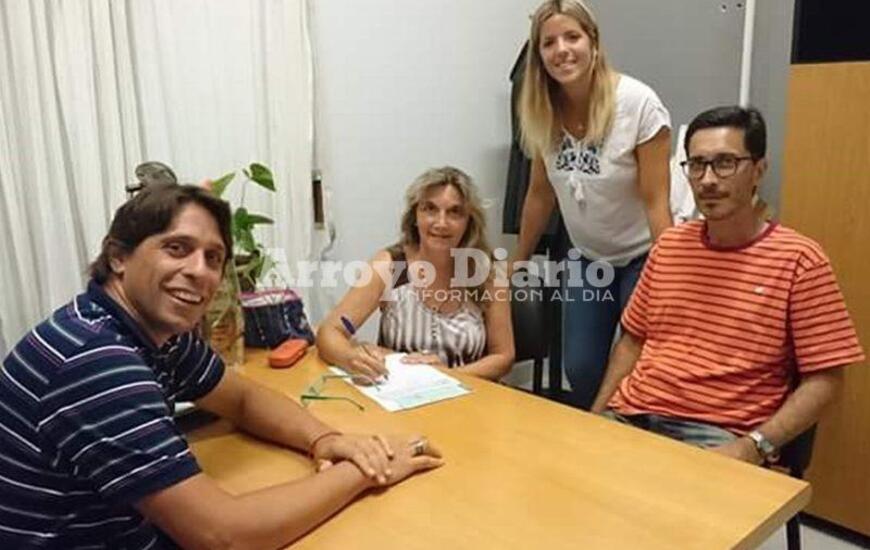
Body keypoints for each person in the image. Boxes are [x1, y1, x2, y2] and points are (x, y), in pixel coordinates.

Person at [0, 183, 442, 549]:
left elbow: (243, 398)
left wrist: (325, 440)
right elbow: (223, 535)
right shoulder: (97, 363)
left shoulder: (149, 331)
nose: (200, 271)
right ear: (119, 257)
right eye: (177, 248)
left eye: (213, 258)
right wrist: (366, 469)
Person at [590, 106, 865, 464]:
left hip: (719, 433)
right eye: (697, 165)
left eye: (725, 163)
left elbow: (826, 379)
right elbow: (633, 340)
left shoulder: (800, 260)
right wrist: (595, 417)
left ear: (758, 171)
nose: (707, 179)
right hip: (633, 413)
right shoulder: (670, 247)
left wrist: (755, 445)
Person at [512, 0, 673, 409]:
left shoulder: (638, 104)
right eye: (549, 42)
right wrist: (518, 259)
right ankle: (597, 437)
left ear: (594, 42)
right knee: (581, 367)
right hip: (589, 257)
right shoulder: (540, 108)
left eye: (572, 37)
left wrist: (672, 274)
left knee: (640, 366)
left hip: (644, 256)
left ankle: (630, 443)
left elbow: (657, 201)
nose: (561, 50)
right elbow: (540, 193)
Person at [318, 166, 514, 381]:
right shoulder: (390, 266)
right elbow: (330, 332)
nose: (441, 223)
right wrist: (351, 358)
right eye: (429, 209)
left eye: (454, 212)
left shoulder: (488, 272)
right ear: (414, 216)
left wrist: (446, 376)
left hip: (470, 397)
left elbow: (503, 356)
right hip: (399, 398)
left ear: (469, 222)